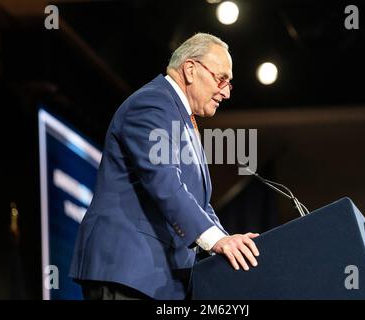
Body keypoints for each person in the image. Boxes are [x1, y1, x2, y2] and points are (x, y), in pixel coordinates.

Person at [69, 33, 260, 300]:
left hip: (160, 282)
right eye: (222, 79)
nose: (226, 92)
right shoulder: (152, 104)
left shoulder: (180, 118)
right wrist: (217, 241)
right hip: (128, 273)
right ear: (191, 69)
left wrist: (229, 242)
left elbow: (198, 203)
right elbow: (165, 181)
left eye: (229, 83)